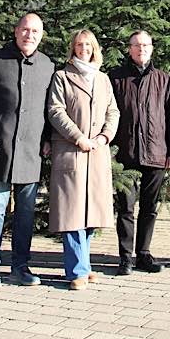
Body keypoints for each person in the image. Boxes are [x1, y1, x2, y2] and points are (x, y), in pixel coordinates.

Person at [0, 13, 55, 288]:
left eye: (35, 31)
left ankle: (20, 266)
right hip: (0, 147)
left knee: (25, 212)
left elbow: (51, 109)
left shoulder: (47, 65)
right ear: (16, 31)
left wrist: (48, 138)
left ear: (41, 34)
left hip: (32, 151)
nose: (29, 35)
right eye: (25, 29)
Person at [48, 29, 120, 290]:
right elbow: (55, 111)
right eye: (79, 45)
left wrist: (104, 136)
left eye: (88, 45)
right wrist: (78, 137)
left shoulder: (102, 79)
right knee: (72, 214)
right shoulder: (62, 77)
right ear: (73, 48)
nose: (83, 49)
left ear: (94, 48)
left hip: (97, 153)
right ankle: (77, 270)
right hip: (72, 151)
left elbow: (113, 110)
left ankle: (84, 264)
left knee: (91, 214)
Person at [110, 31, 170, 275]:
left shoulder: (162, 79)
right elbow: (107, 115)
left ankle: (144, 254)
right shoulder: (117, 78)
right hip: (126, 153)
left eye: (146, 45)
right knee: (126, 208)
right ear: (129, 49)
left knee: (150, 207)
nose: (141, 49)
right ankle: (125, 256)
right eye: (137, 45)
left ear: (152, 49)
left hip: (156, 152)